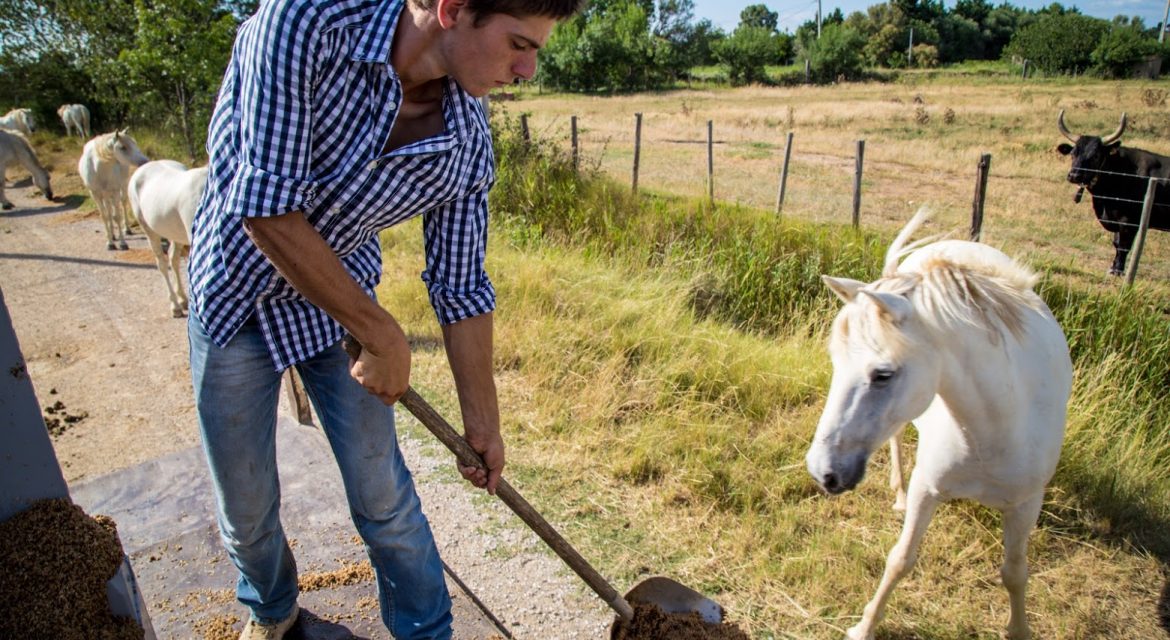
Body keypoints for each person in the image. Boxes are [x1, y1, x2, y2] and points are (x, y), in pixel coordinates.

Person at [186, 0, 586, 638]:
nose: (528, 69)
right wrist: (381, 332)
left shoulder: (465, 142)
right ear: (453, 10)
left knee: (385, 500)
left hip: (337, 313)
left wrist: (482, 423)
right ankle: (271, 611)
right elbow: (265, 210)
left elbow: (461, 287)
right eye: (518, 43)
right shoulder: (304, 26)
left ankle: (427, 633)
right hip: (238, 298)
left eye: (535, 48)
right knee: (248, 508)